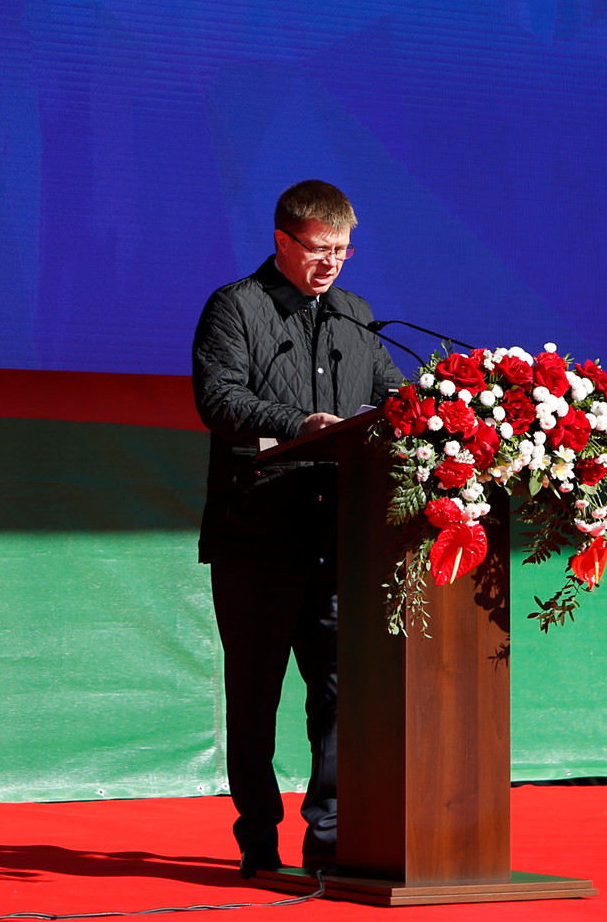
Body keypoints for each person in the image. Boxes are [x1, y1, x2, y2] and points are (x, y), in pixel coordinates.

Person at [191, 179, 405, 877]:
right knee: (255, 697)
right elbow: (219, 397)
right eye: (318, 249)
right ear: (283, 240)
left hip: (336, 537)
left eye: (342, 250)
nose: (331, 263)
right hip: (257, 535)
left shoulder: (355, 315)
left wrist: (436, 411)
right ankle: (258, 842)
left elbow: (391, 395)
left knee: (339, 692)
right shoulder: (236, 306)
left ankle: (328, 839)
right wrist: (299, 424)